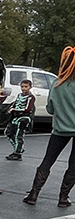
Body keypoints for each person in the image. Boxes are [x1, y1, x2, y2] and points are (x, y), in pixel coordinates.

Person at [23, 46, 75, 207]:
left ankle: (33, 194)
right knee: (73, 165)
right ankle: (63, 198)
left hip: (60, 128)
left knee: (48, 160)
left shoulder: (56, 83)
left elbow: (50, 108)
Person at [5, 79, 36, 161]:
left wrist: (14, 110)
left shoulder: (31, 97)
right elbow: (15, 103)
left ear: (30, 87)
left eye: (26, 87)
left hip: (24, 118)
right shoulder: (19, 95)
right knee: (8, 133)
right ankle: (18, 149)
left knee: (19, 135)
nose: (24, 88)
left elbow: (27, 109)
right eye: (22, 87)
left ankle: (17, 153)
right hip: (16, 117)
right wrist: (11, 108)